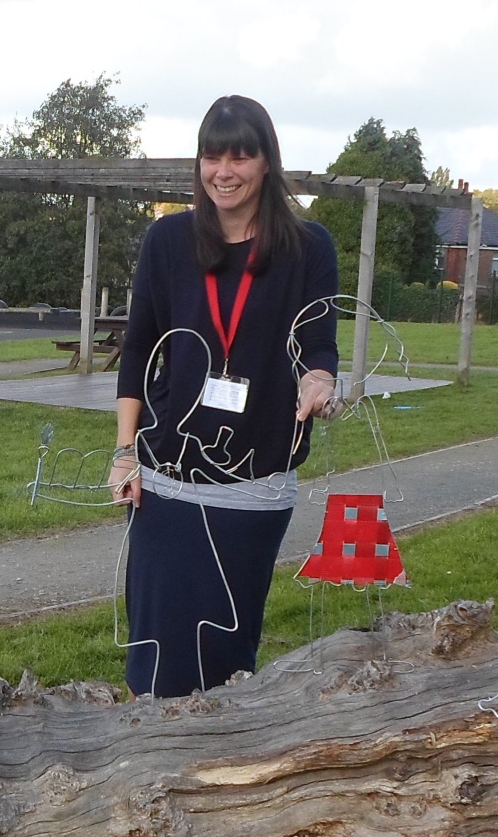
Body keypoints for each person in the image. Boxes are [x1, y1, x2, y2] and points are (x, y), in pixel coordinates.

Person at [110, 96, 340, 698]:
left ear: (267, 162)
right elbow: (137, 352)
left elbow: (320, 342)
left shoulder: (308, 248)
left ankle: (219, 775)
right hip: (166, 478)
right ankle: (146, 769)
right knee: (155, 655)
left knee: (225, 655)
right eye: (213, 156)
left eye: (241, 155)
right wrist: (125, 451)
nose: (225, 171)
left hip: (254, 484)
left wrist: (320, 379)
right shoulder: (166, 242)